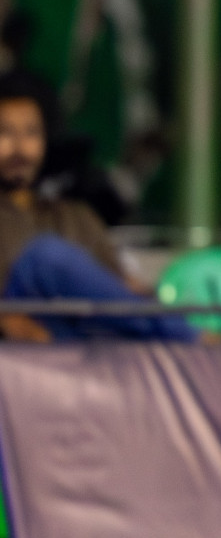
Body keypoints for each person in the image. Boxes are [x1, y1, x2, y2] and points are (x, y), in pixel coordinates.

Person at [0, 74, 196, 343]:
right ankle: (191, 338)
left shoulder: (75, 215)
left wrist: (148, 296)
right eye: (5, 132)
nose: (20, 148)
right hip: (22, 341)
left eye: (31, 133)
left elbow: (118, 288)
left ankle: (187, 336)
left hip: (84, 338)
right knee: (45, 255)